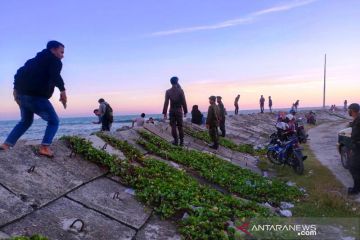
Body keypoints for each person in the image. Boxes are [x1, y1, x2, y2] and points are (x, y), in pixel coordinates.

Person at [0, 41, 67, 157]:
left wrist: (16, 91)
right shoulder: (55, 61)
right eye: (61, 52)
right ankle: (45, 147)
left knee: (25, 121)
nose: (62, 55)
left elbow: (18, 74)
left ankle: (6, 144)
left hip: (21, 95)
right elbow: (55, 75)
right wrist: (62, 90)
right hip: (36, 97)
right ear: (53, 49)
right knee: (54, 121)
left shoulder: (32, 61)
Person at [162, 76, 188, 146]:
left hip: (172, 111)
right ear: (177, 82)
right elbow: (184, 102)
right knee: (180, 126)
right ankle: (181, 142)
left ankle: (176, 141)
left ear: (171, 83)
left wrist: (164, 113)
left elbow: (166, 103)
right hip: (179, 110)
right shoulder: (180, 90)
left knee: (173, 126)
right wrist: (185, 111)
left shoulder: (168, 91)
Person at [347, 103, 360, 195]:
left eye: (349, 110)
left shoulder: (359, 120)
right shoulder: (357, 120)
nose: (349, 112)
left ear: (353, 110)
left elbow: (355, 136)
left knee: (353, 168)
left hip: (357, 148)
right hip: (356, 147)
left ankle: (356, 189)